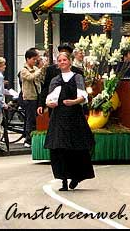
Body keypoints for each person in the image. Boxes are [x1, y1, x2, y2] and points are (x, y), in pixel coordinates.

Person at [44, 52, 95, 191]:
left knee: (76, 147)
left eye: (64, 59)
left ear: (70, 62)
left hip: (74, 117)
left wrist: (74, 102)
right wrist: (50, 104)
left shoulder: (77, 77)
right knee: (60, 147)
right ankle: (64, 180)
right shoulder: (55, 80)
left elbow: (83, 96)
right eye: (59, 60)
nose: (62, 62)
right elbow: (49, 99)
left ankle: (77, 176)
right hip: (59, 117)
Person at [37, 44, 83, 116]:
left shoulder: (77, 72)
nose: (62, 62)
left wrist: (83, 107)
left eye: (65, 59)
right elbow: (46, 88)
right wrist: (41, 104)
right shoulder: (51, 70)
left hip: (73, 108)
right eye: (61, 52)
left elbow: (82, 91)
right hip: (55, 107)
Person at [20, 48, 46, 148]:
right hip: (28, 97)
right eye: (33, 59)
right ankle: (28, 139)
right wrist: (40, 69)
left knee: (36, 119)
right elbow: (31, 77)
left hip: (36, 97)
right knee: (30, 119)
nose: (35, 61)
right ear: (28, 59)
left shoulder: (35, 69)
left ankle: (33, 138)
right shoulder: (24, 70)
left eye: (36, 59)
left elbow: (40, 78)